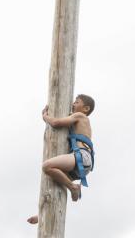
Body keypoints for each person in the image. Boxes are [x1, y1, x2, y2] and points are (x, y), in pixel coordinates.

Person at [27, 93, 95, 223]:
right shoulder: (77, 121)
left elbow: (56, 123)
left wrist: (45, 117)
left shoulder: (80, 116)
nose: (73, 103)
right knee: (56, 184)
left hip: (81, 156)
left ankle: (73, 187)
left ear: (86, 109)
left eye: (77, 101)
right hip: (83, 164)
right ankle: (43, 215)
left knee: (47, 166)